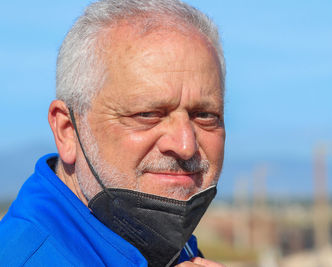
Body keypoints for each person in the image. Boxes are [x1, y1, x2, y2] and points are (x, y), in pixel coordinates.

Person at [0, 0, 226, 266]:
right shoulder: (27, 258)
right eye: (147, 114)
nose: (186, 145)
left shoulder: (150, 239)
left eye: (205, 115)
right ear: (68, 130)